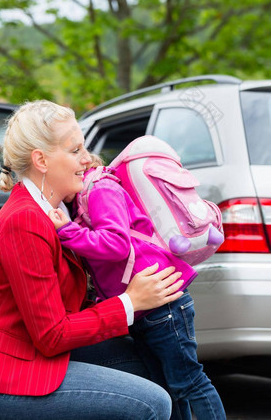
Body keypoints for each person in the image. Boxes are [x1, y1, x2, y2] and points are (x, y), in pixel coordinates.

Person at [0, 100, 186, 420]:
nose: (87, 159)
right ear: (40, 160)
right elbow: (52, 335)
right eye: (75, 151)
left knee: (154, 361)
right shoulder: (25, 220)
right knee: (152, 404)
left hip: (29, 352)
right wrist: (130, 302)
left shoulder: (59, 212)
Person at [49, 155, 226, 420]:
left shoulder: (100, 189)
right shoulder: (79, 204)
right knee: (165, 388)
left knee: (188, 382)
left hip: (162, 302)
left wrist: (67, 232)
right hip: (142, 307)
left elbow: (116, 244)